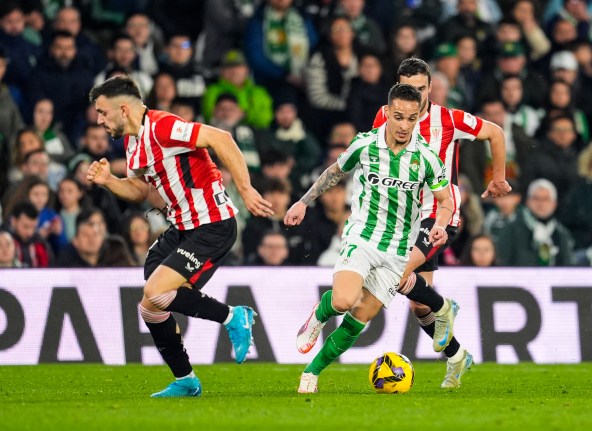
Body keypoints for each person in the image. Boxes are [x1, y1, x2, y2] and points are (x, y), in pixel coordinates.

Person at [85, 75, 273, 397]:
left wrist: (245, 188)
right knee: (150, 305)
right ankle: (186, 380)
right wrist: (109, 181)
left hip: (213, 224)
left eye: (103, 112)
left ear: (124, 110)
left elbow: (222, 139)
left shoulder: (162, 127)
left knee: (156, 291)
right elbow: (142, 190)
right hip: (182, 227)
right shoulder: (133, 143)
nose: (99, 120)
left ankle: (234, 316)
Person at [286, 83, 455, 394]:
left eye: (412, 118)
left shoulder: (427, 157)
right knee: (343, 301)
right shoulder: (365, 144)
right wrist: (303, 201)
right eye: (399, 117)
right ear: (388, 113)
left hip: (397, 252)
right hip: (362, 237)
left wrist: (441, 224)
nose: (404, 125)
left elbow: (445, 201)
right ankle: (318, 316)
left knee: (360, 318)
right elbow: (334, 173)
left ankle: (312, 372)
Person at [372, 58, 511, 388]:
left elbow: (496, 132)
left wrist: (499, 178)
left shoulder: (449, 119)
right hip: (401, 214)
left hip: (439, 211)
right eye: (408, 90)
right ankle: (457, 356)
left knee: (397, 273)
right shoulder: (384, 116)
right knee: (419, 303)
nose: (415, 97)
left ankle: (445, 306)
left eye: (421, 89)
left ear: (430, 87)